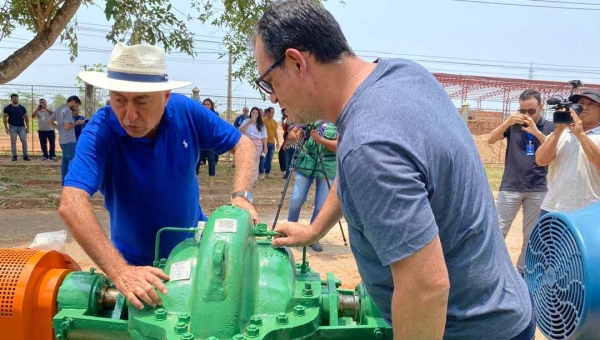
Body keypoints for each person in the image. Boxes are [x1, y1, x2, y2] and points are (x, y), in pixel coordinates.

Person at [256, 1, 534, 339]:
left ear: (296, 62)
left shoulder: (368, 144)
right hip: (503, 306)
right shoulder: (403, 74)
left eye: (268, 82)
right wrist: (315, 229)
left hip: (468, 329)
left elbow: (426, 288)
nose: (272, 98)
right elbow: (360, 166)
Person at [58, 43, 257, 311]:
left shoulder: (187, 111)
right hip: (133, 262)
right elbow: (71, 203)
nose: (129, 115)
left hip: (195, 249)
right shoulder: (99, 132)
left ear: (165, 96)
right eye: (119, 100)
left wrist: (241, 196)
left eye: (141, 101)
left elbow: (243, 144)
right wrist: (120, 272)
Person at [486, 89, 555, 276]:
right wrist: (507, 122)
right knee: (498, 231)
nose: (526, 115)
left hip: (537, 188)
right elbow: (490, 140)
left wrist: (535, 132)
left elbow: (554, 150)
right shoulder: (513, 126)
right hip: (510, 186)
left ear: (541, 107)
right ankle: (493, 270)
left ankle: (522, 272)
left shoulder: (549, 127)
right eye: (522, 111)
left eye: (531, 111)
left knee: (531, 236)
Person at [536, 89, 600, 215]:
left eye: (592, 104)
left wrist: (580, 134)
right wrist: (558, 130)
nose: (585, 107)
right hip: (553, 207)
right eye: (581, 103)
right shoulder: (562, 133)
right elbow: (541, 160)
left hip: (589, 210)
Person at [286, 120, 337, 252]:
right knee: (296, 199)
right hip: (306, 163)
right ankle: (289, 231)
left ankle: (313, 237)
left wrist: (320, 140)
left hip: (328, 166)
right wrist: (295, 135)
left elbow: (338, 145)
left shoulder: (338, 118)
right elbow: (291, 136)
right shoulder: (309, 116)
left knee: (321, 205)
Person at [47, 95, 84, 184]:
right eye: (76, 106)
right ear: (73, 102)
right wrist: (77, 123)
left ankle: (65, 181)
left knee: (65, 162)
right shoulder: (67, 111)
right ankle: (73, 182)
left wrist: (58, 128)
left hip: (62, 140)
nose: (76, 108)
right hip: (69, 140)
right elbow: (67, 126)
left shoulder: (60, 108)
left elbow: (49, 120)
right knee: (73, 161)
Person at [239, 107, 267, 182]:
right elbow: (241, 131)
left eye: (256, 113)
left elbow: (264, 136)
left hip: (258, 143)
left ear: (259, 114)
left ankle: (253, 179)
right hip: (247, 141)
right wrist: (249, 123)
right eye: (253, 112)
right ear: (250, 113)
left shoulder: (261, 124)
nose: (254, 114)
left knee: (255, 160)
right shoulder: (246, 121)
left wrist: (265, 147)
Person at [196, 98, 219, 187]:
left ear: (211, 106)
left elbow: (216, 126)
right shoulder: (199, 114)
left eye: (208, 104)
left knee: (211, 160)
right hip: (201, 141)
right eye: (204, 104)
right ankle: (196, 179)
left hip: (210, 141)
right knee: (198, 160)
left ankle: (211, 180)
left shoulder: (215, 114)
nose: (206, 106)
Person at [3, 93, 31, 161]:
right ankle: (14, 155)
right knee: (13, 141)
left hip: (21, 127)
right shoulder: (8, 108)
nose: (15, 99)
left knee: (24, 141)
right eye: (14, 98)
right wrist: (6, 128)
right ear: (11, 99)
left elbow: (26, 117)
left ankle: (25, 155)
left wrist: (27, 127)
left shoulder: (22, 108)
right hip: (12, 127)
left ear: (18, 98)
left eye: (16, 98)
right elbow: (4, 117)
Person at [260, 107, 280, 178]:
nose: (273, 114)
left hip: (272, 143)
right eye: (271, 112)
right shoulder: (263, 120)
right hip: (264, 143)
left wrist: (277, 141)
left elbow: (275, 132)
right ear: (267, 112)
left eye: (273, 112)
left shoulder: (274, 122)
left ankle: (267, 173)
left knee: (269, 159)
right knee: (262, 158)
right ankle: (261, 173)